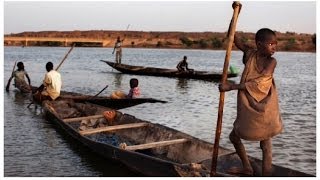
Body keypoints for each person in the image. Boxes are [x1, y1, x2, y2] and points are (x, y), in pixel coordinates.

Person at [219, 28, 283, 176]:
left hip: (265, 105)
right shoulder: (250, 54)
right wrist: (234, 18)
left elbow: (259, 83)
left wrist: (231, 86)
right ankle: (248, 168)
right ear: (259, 45)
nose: (274, 48)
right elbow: (234, 38)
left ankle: (265, 172)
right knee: (235, 136)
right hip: (247, 103)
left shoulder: (272, 62)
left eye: (276, 44)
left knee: (265, 141)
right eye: (271, 44)